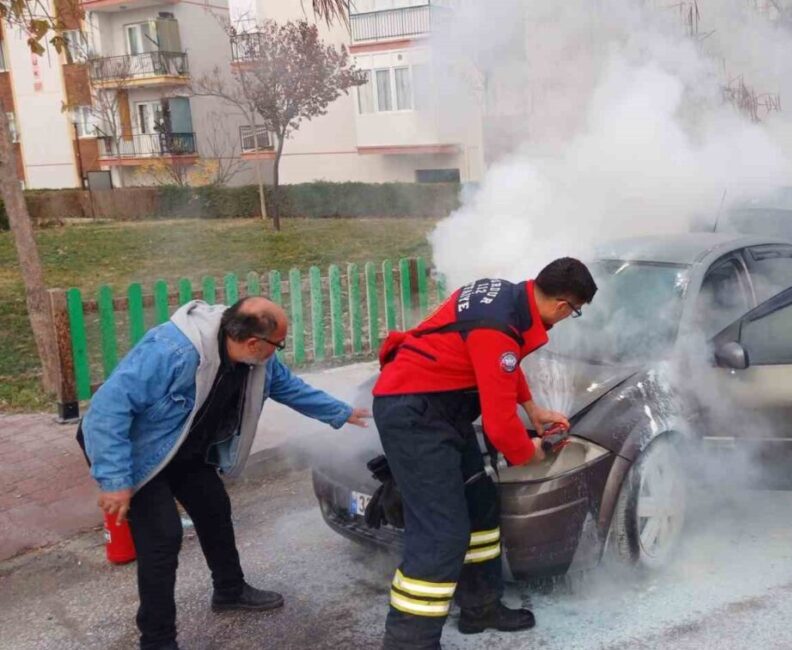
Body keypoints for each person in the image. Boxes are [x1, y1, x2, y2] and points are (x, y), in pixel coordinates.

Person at [80, 296, 370, 650]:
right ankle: (157, 641)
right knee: (162, 539)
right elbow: (106, 411)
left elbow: (288, 388)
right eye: (278, 343)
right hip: (135, 452)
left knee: (214, 507)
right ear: (254, 343)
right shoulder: (172, 350)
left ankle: (229, 590)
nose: (278, 351)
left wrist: (341, 412)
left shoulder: (257, 361)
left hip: (181, 448)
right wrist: (115, 480)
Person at [372, 257, 598, 649]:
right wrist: (529, 453)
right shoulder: (498, 329)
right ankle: (408, 642)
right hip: (415, 414)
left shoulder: (505, 298)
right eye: (574, 311)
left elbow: (503, 365)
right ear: (564, 306)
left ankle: (481, 607)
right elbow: (499, 426)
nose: (568, 318)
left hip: (439, 407)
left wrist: (532, 410)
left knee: (479, 504)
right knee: (441, 535)